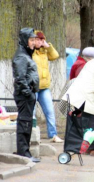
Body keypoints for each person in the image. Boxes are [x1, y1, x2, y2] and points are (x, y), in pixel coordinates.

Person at [12, 28, 40, 162]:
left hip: (28, 94)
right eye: (31, 40)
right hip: (24, 95)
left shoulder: (26, 54)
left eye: (34, 40)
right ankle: (23, 153)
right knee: (24, 122)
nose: (34, 42)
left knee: (26, 122)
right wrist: (28, 94)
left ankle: (25, 152)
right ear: (25, 40)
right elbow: (20, 78)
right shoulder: (21, 57)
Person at [32, 30, 63, 143]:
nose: (41, 42)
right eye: (39, 39)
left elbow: (55, 56)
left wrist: (48, 46)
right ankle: (32, 135)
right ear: (33, 40)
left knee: (50, 111)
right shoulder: (30, 52)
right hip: (33, 87)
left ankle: (53, 135)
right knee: (32, 112)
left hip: (44, 87)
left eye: (42, 39)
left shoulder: (44, 51)